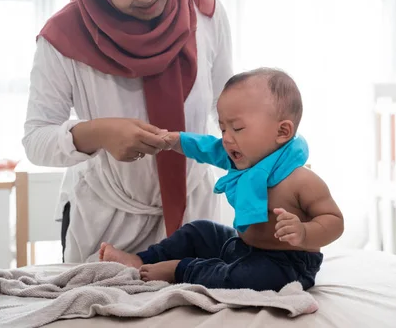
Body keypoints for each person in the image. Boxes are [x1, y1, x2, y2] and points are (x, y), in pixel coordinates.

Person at [22, 0, 233, 263]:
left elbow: (228, 109)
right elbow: (36, 139)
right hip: (108, 228)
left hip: (195, 215)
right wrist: (99, 133)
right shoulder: (63, 38)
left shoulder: (205, 14)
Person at [99, 68, 344, 292]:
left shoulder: (301, 180)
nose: (226, 138)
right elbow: (206, 147)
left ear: (282, 132)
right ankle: (142, 259)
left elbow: (334, 221)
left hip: (287, 264)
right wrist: (176, 140)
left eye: (237, 128)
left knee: (247, 278)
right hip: (243, 247)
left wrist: (303, 232)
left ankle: (181, 270)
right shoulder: (241, 157)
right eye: (223, 128)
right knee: (200, 230)